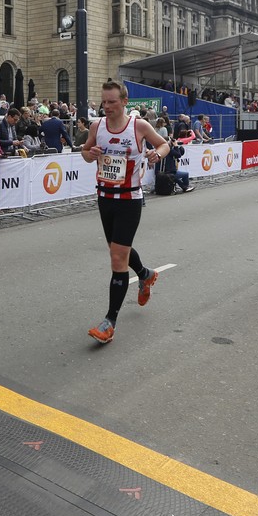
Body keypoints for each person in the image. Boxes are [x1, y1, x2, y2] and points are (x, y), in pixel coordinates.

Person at [79, 80, 170, 344]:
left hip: (129, 199)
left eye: (112, 102)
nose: (106, 107)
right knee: (118, 250)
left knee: (118, 258)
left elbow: (164, 144)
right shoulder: (97, 126)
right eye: (104, 102)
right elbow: (85, 152)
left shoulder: (138, 126)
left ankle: (109, 322)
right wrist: (90, 152)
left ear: (124, 102)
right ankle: (145, 274)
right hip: (104, 197)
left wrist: (156, 154)